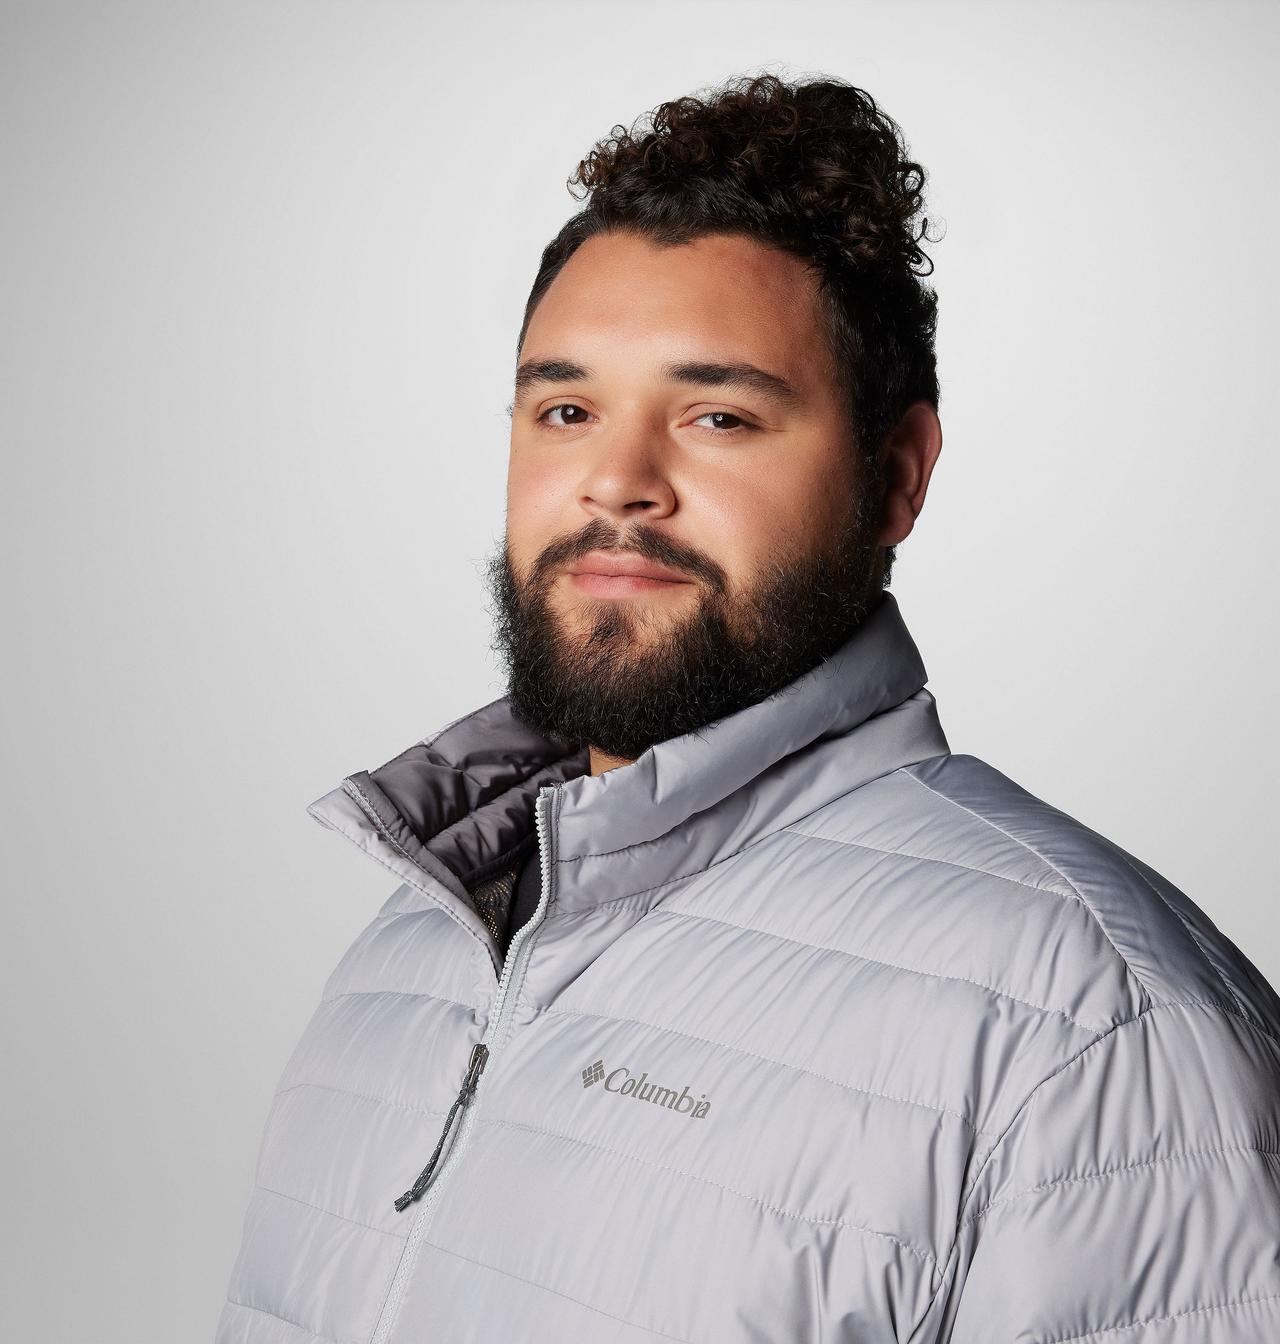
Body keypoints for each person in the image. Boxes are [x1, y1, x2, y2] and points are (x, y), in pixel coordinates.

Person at [216, 72, 1280, 1343]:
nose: (616, 480)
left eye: (717, 416)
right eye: (565, 410)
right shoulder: (413, 949)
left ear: (894, 477)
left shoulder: (1088, 1025)